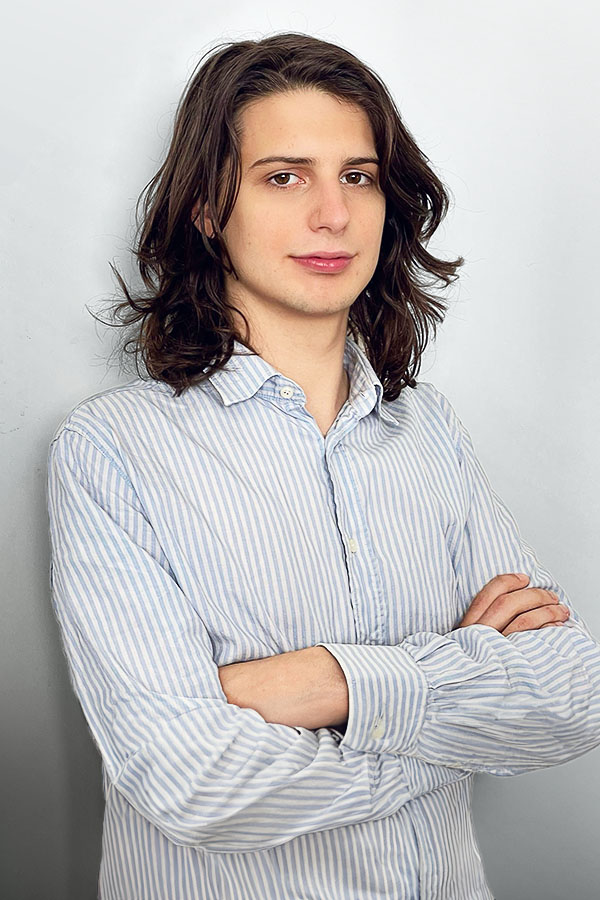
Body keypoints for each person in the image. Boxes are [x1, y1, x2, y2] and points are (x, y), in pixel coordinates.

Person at [46, 32, 600, 900]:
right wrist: (456, 696)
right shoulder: (115, 449)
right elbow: (192, 779)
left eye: (358, 175)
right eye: (283, 176)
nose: (333, 215)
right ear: (205, 207)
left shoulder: (431, 433)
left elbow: (572, 695)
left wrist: (324, 684)